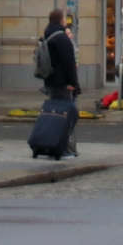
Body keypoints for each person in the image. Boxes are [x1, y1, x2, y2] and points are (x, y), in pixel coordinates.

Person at [41, 8, 80, 156]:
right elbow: (69, 63)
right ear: (61, 20)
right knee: (69, 114)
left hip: (51, 81)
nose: (66, 20)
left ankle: (52, 144)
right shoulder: (61, 38)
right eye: (64, 18)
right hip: (63, 83)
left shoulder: (48, 34)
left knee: (56, 114)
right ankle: (60, 146)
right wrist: (73, 83)